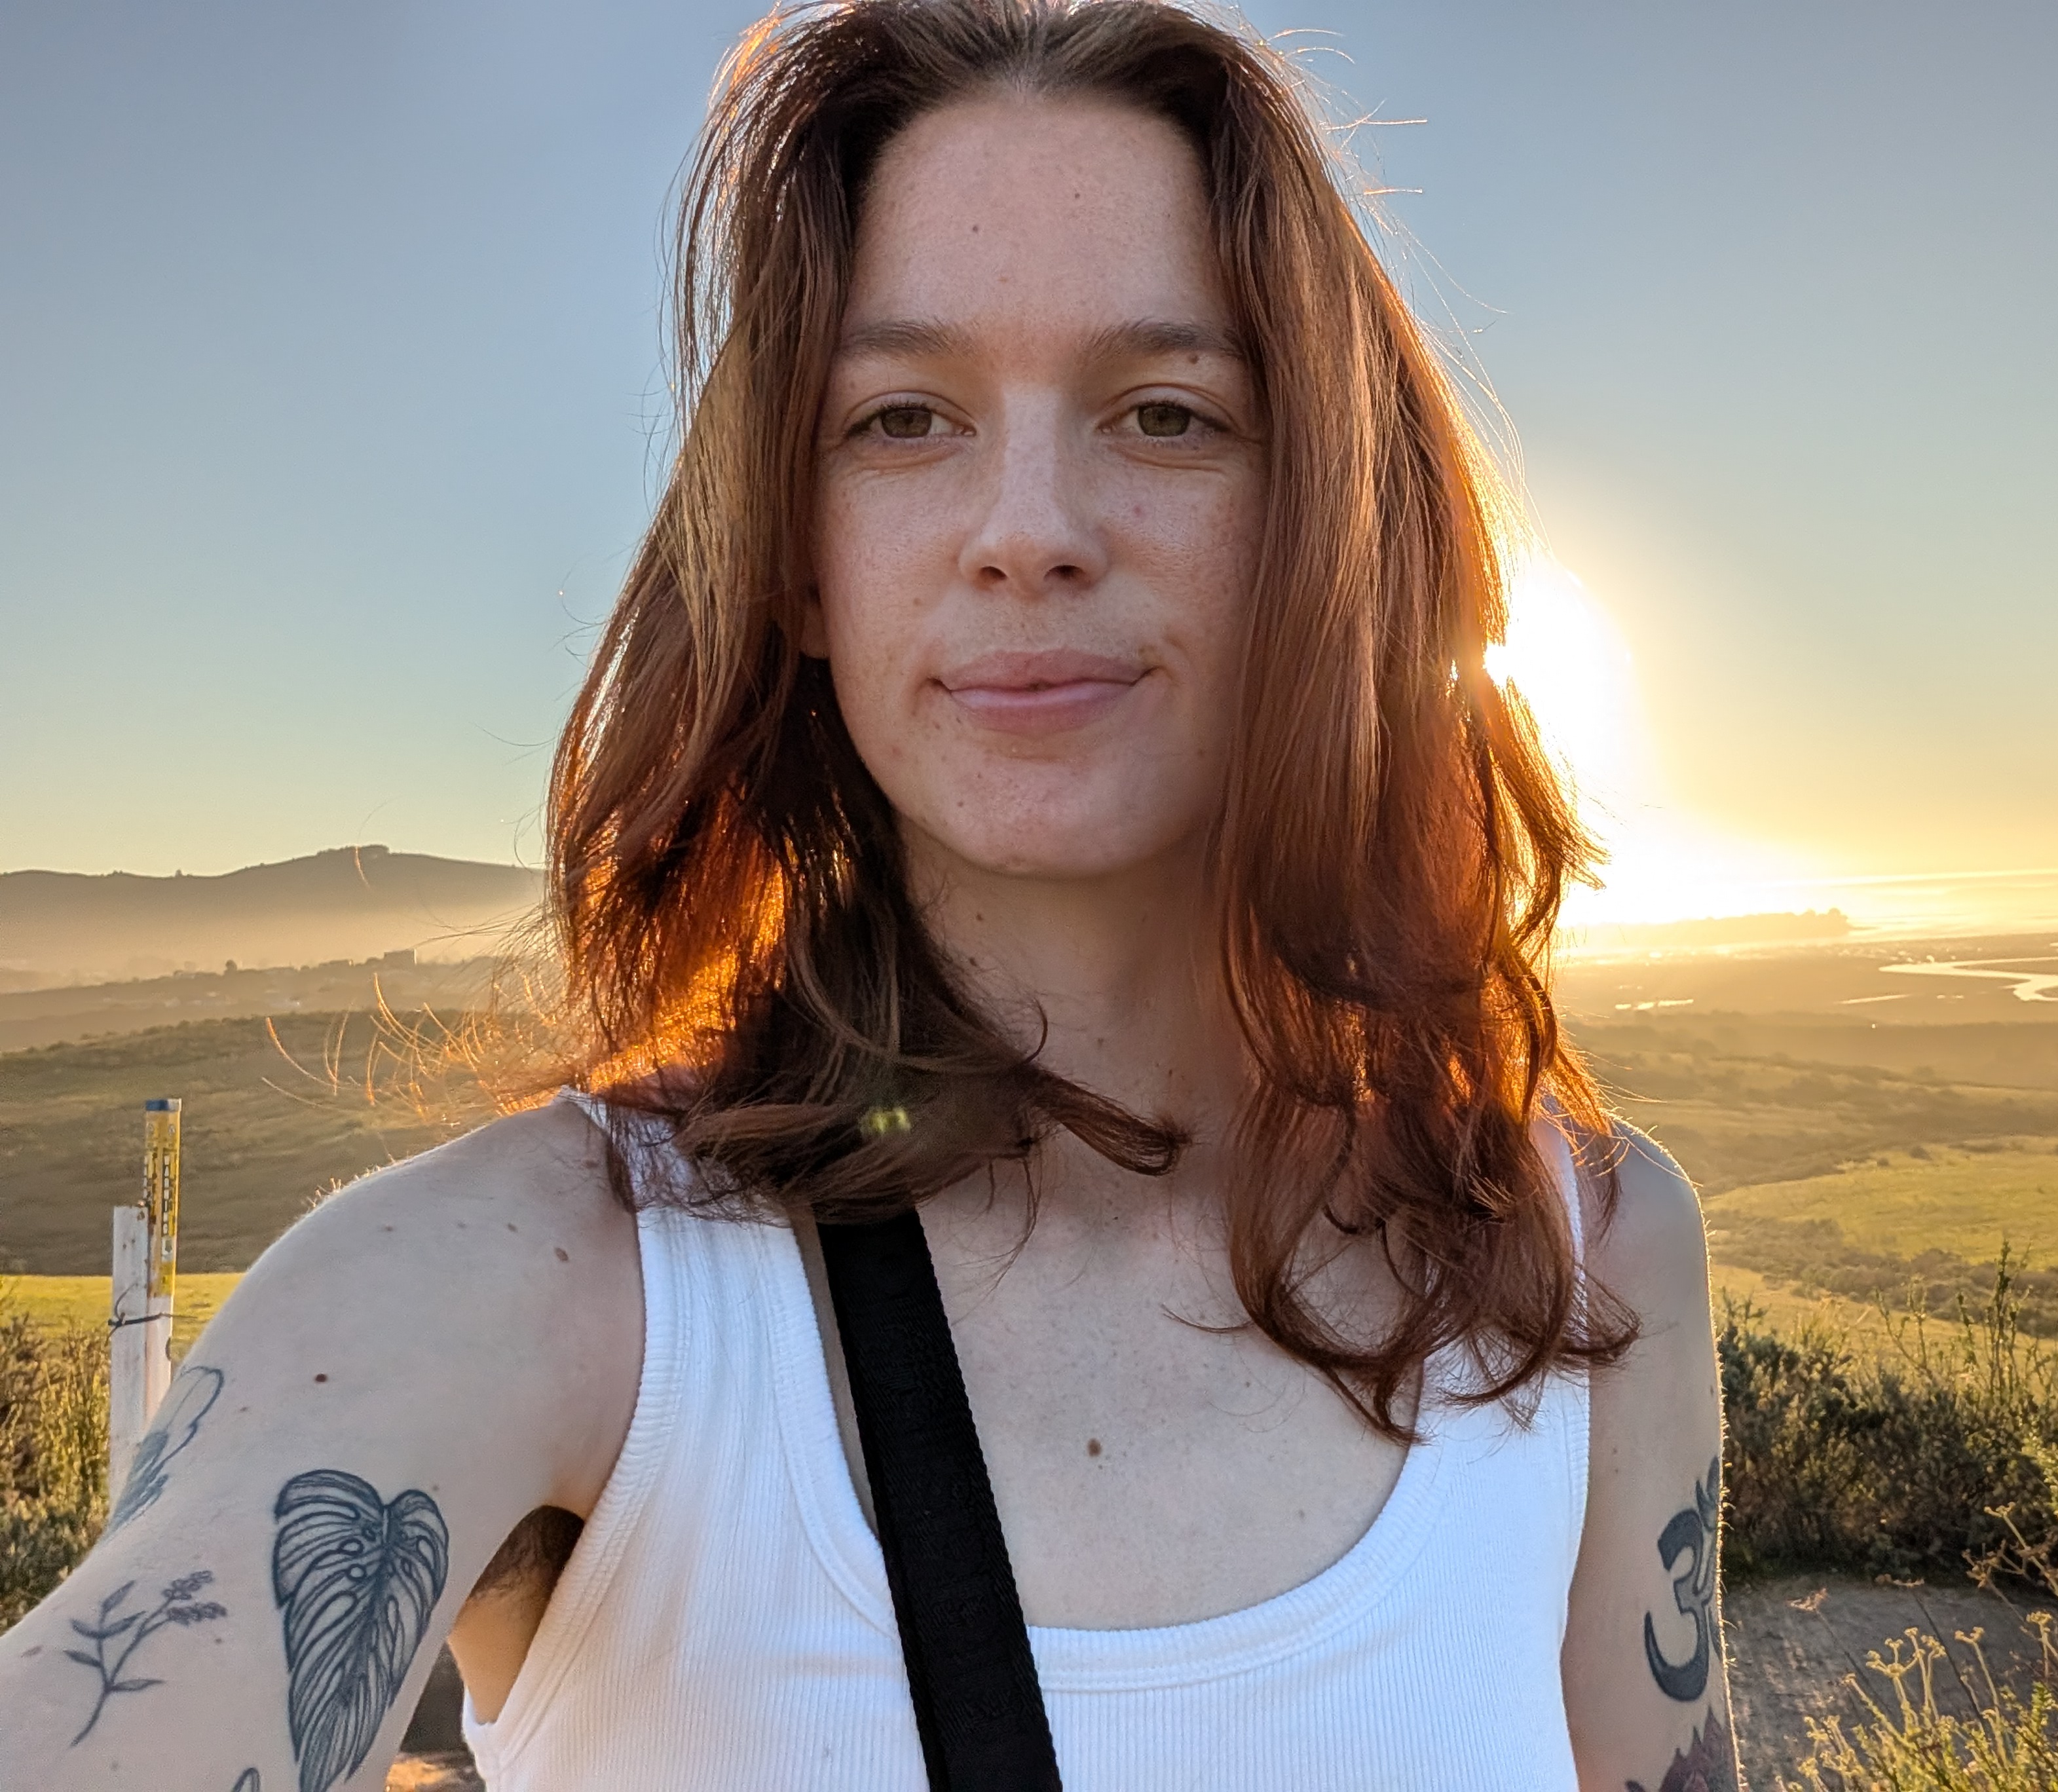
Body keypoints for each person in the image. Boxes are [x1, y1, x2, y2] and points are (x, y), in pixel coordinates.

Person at [0, 3, 1736, 1787]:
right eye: (903, 419)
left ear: (1331, 524)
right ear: (799, 560)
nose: (1029, 528)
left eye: (1168, 413)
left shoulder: (1583, 1257)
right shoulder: (544, 1283)